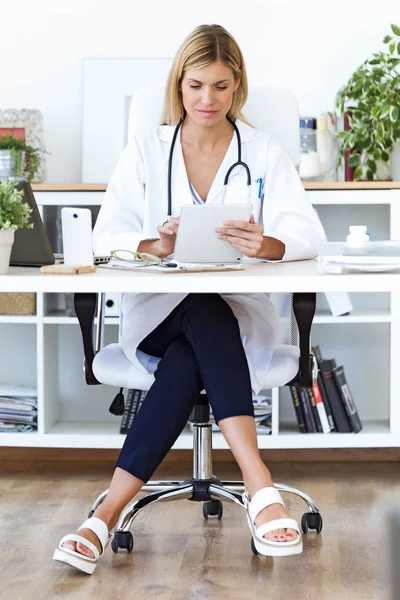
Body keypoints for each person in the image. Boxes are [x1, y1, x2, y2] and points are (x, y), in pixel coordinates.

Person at [53, 24, 325, 574]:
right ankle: (260, 486)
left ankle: (103, 516)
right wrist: (155, 243)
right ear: (179, 84)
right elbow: (107, 237)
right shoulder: (146, 150)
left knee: (195, 339)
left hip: (236, 317)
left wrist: (267, 241)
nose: (208, 100)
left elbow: (307, 233)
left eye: (221, 87)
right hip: (157, 312)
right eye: (196, 85)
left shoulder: (261, 151)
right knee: (198, 309)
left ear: (237, 86)